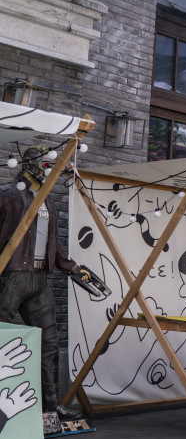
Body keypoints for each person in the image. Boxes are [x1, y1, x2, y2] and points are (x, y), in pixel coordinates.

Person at [0, 145, 90, 420]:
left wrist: (71, 267)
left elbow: (52, 242)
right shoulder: (8, 195)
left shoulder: (46, 199)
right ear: (29, 164)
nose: (47, 168)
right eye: (43, 164)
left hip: (39, 278)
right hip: (12, 276)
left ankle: (51, 407)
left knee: (49, 343)